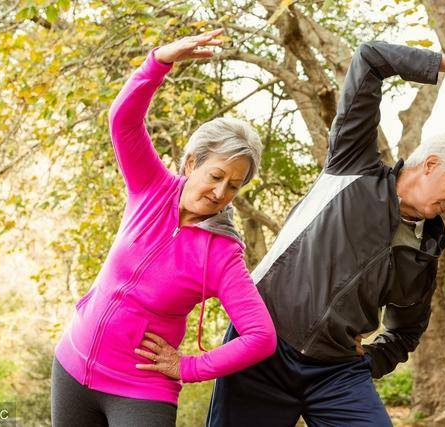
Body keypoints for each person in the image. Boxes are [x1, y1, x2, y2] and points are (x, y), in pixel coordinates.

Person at [206, 40, 445, 426]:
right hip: (263, 344)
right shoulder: (354, 165)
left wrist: (370, 361)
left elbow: (406, 331)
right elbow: (371, 58)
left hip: (336, 374)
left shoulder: (425, 249)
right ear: (430, 164)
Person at [51, 29, 276, 427]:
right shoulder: (151, 187)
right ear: (191, 164)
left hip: (140, 391)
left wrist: (189, 366)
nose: (221, 191)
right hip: (72, 367)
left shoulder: (223, 254)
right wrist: (160, 60)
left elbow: (260, 337)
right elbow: (123, 121)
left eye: (234, 186)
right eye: (216, 175)